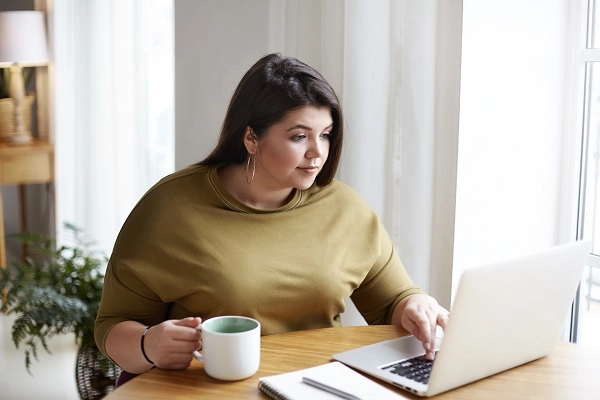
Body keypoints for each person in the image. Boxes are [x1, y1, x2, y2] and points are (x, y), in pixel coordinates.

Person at [94, 53, 449, 379]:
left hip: (321, 386)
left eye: (325, 135)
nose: (317, 153)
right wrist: (148, 344)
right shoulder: (169, 208)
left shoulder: (344, 208)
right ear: (251, 138)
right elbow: (111, 326)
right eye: (299, 136)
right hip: (209, 388)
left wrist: (416, 305)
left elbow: (392, 303)